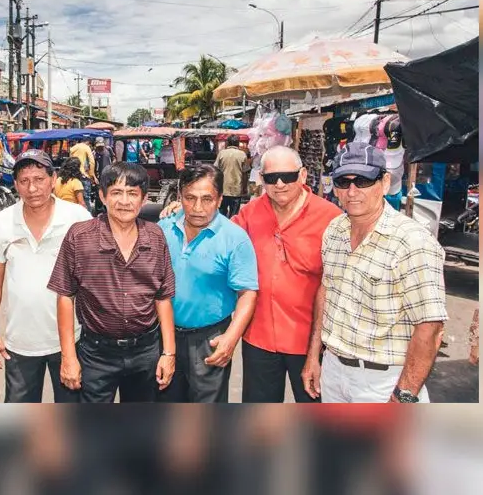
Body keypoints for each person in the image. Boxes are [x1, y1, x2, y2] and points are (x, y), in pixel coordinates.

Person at [161, 145, 342, 402]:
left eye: (288, 176)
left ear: (303, 175)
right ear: (261, 180)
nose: (279, 184)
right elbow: (214, 229)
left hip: (310, 339)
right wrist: (183, 207)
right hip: (260, 338)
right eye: (271, 178)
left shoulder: (331, 218)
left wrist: (317, 350)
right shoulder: (250, 213)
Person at [302, 142, 448, 403]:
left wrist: (404, 394)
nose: (352, 191)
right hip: (334, 370)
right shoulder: (334, 230)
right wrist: (314, 356)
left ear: (384, 182)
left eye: (363, 180)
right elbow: (327, 292)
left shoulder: (412, 242)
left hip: (384, 382)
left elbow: (430, 327)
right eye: (343, 182)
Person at [48, 162, 177, 403]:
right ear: (102, 196)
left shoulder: (156, 236)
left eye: (133, 194)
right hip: (97, 353)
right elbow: (65, 295)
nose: (125, 201)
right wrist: (68, 356)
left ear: (144, 199)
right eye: (117, 193)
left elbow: (163, 297)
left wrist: (169, 353)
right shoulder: (80, 236)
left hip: (146, 351)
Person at [0, 150, 92, 402]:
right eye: (24, 181)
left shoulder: (77, 218)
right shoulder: (4, 220)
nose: (32, 188)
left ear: (53, 179)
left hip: (70, 341)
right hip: (20, 343)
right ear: (15, 184)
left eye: (39, 179)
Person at [156, 165, 258, 403]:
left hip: (209, 340)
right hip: (164, 336)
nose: (198, 208)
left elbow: (247, 293)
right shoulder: (163, 229)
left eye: (207, 199)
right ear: (179, 197)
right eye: (190, 198)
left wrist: (231, 338)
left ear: (220, 199)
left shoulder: (235, 239)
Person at [214, 135, 249, 217]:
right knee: (234, 215)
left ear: (228, 143)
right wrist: (244, 188)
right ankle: (231, 228)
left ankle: (222, 228)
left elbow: (215, 170)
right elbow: (245, 173)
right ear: (237, 143)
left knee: (221, 213)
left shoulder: (221, 153)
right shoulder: (242, 154)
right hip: (236, 189)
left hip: (223, 189)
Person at [68, 138, 97, 208]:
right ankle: (88, 216)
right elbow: (92, 162)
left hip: (73, 175)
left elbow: (69, 161)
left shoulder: (73, 148)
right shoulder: (86, 147)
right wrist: (92, 174)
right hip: (84, 175)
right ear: (88, 142)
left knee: (75, 197)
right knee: (86, 198)